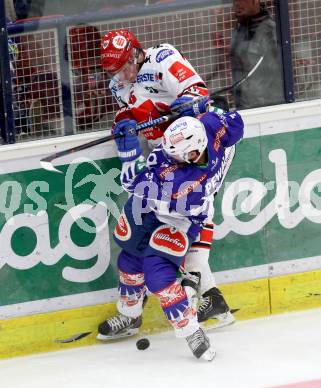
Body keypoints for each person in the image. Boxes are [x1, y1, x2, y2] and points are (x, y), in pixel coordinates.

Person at [100, 28, 235, 329]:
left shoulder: (163, 58)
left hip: (203, 147)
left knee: (192, 215)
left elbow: (198, 93)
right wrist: (124, 129)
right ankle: (212, 299)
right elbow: (129, 117)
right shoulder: (118, 85)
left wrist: (184, 106)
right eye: (114, 71)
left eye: (124, 66)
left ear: (135, 53)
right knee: (153, 223)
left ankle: (200, 296)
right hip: (168, 159)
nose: (121, 75)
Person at [97, 108, 244, 360]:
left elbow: (138, 183)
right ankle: (130, 317)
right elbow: (235, 121)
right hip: (149, 207)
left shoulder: (186, 176)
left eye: (179, 156)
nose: (172, 158)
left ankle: (192, 331)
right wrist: (198, 110)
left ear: (193, 151)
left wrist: (129, 154)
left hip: (181, 219)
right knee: (130, 260)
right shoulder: (206, 130)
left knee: (159, 275)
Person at [230, 0, 284, 109]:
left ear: (256, 1)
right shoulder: (239, 30)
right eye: (234, 0)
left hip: (268, 106)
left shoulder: (270, 30)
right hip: (244, 105)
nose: (237, 3)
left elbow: (280, 68)